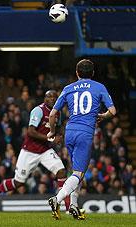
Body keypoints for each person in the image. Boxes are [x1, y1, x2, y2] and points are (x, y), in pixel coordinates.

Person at [47, 59, 116, 220]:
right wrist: (102, 116)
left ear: (77, 73)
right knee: (78, 172)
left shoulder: (68, 88)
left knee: (77, 171)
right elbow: (112, 110)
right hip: (85, 133)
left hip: (70, 131)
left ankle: (73, 206)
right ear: (92, 73)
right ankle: (56, 199)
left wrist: (52, 131)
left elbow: (52, 114)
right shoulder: (99, 87)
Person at [0, 90, 69, 211]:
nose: (52, 99)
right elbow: (30, 132)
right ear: (45, 99)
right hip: (29, 151)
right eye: (49, 97)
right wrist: (50, 138)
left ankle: (67, 208)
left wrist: (60, 135)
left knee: (61, 172)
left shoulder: (58, 113)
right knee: (18, 182)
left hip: (45, 150)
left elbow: (57, 128)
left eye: (54, 97)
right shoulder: (38, 110)